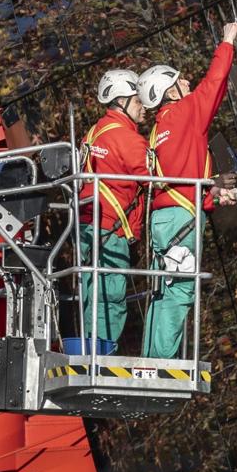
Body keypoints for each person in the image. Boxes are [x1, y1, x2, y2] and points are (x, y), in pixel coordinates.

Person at [137, 21, 237, 359]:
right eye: (179, 80)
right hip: (181, 218)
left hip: (163, 219)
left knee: (162, 289)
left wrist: (212, 196)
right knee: (179, 290)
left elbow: (179, 176)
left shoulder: (158, 131)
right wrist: (227, 41)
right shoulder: (184, 113)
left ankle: (153, 357)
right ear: (169, 92)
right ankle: (160, 365)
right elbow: (214, 84)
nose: (186, 82)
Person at [78, 69, 148, 350]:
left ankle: (91, 350)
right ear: (123, 101)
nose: (144, 107)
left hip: (89, 225)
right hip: (110, 230)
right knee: (110, 297)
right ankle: (101, 356)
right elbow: (158, 178)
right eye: (139, 100)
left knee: (92, 293)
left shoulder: (94, 133)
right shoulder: (127, 138)